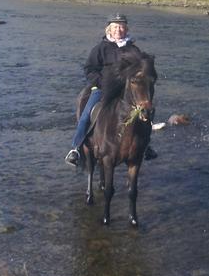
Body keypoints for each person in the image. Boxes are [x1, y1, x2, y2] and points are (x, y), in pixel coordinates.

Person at [65, 13, 156, 166]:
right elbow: (89, 69)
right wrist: (101, 82)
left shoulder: (133, 49)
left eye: (121, 27)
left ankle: (146, 146)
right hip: (103, 88)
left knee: (146, 111)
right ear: (109, 29)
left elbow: (142, 70)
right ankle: (76, 148)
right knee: (87, 114)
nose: (118, 30)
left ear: (126, 29)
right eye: (115, 27)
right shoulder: (100, 48)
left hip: (127, 91)